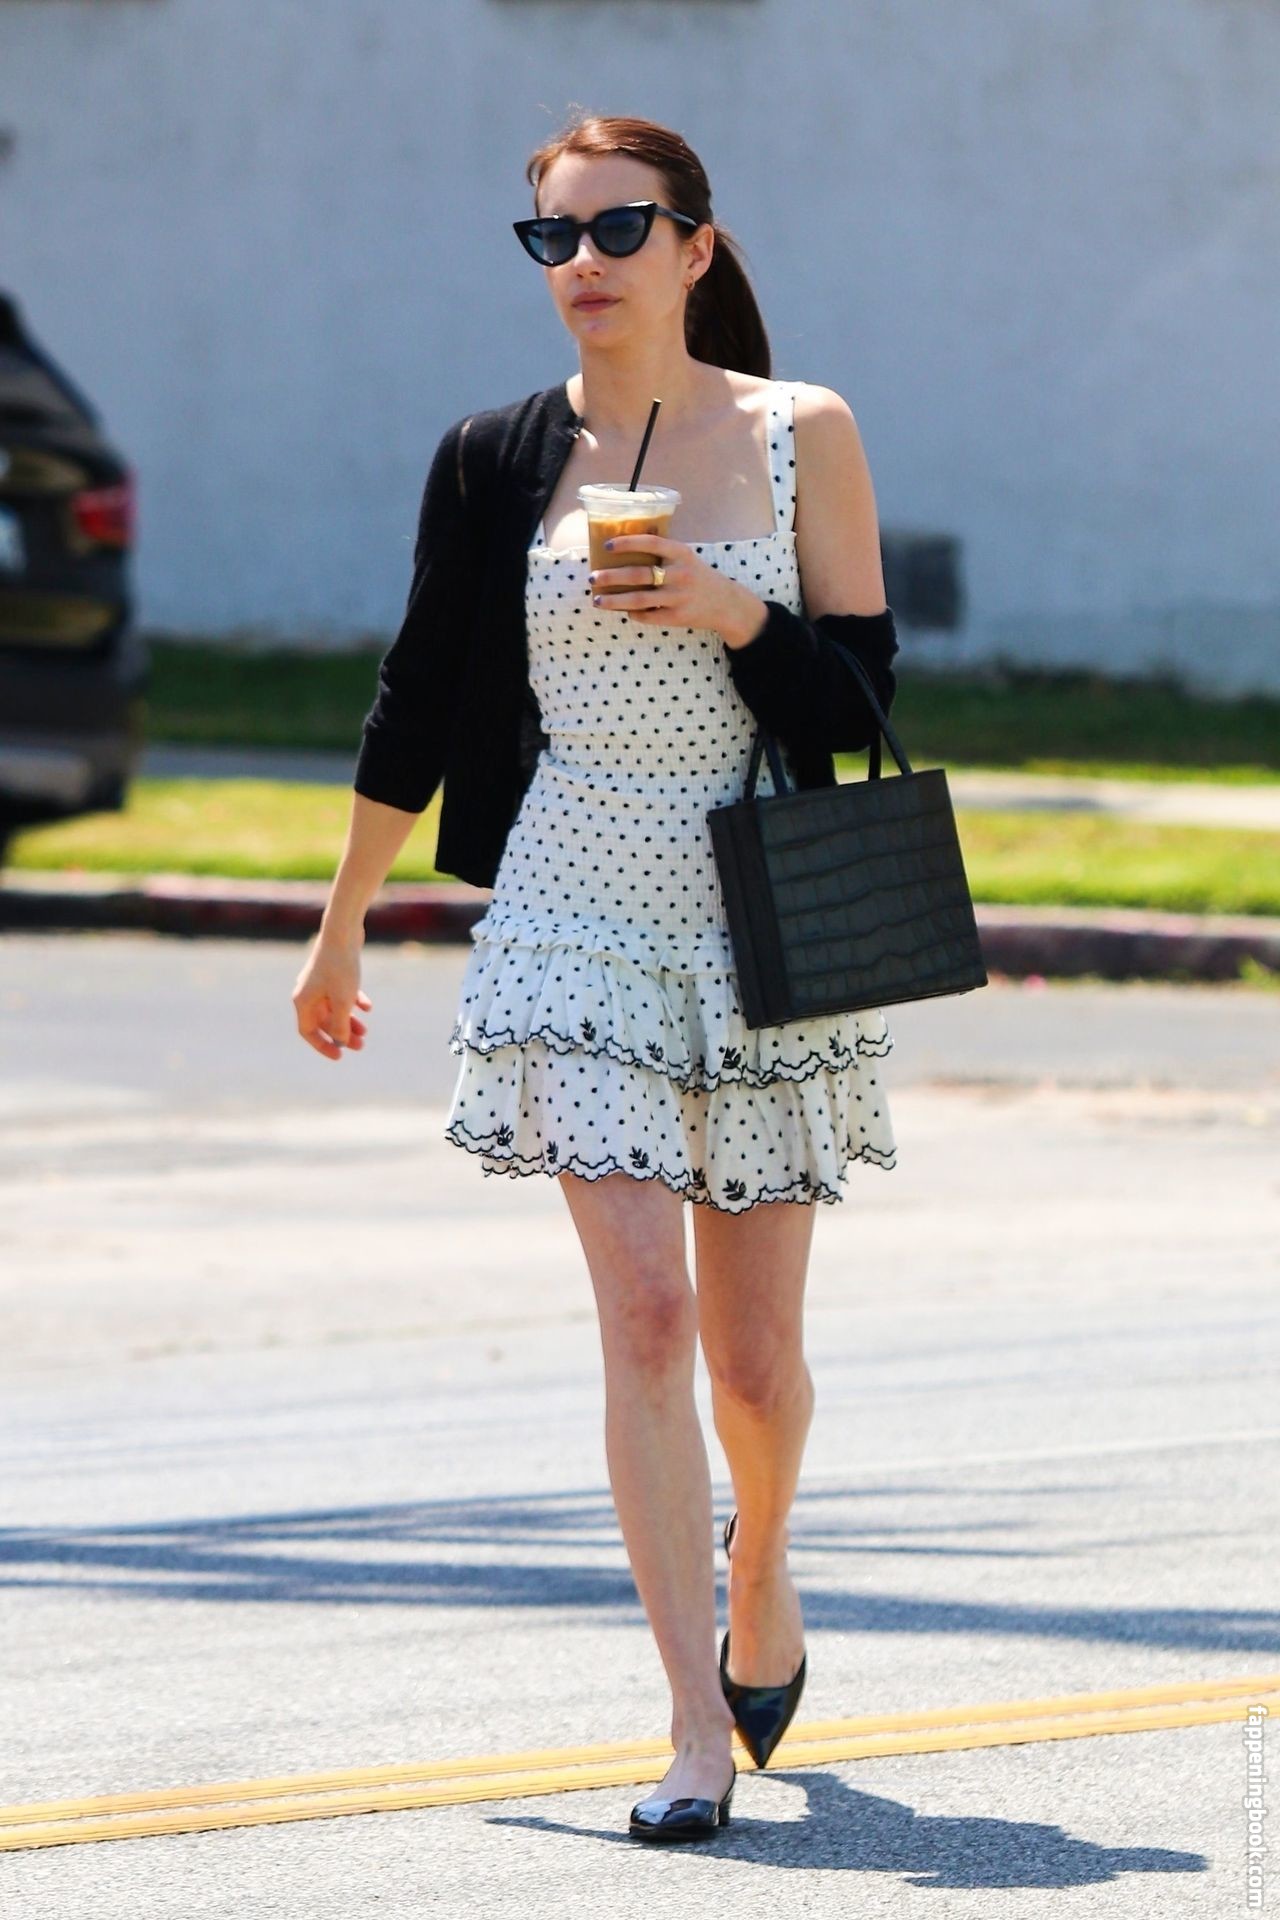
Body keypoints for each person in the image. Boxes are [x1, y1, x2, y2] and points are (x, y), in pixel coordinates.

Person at [293, 111, 901, 1845]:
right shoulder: (496, 456)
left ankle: (763, 1564)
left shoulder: (802, 432)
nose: (584, 263)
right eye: (554, 237)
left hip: (758, 914)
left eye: (619, 230)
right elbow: (418, 691)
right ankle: (694, 1725)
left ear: (695, 248)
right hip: (572, 897)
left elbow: (862, 700)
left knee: (755, 1367)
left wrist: (733, 613)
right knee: (646, 1318)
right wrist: (342, 918)